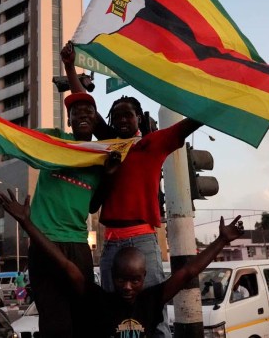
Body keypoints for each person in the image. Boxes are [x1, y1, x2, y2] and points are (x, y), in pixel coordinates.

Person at [62, 41, 202, 338]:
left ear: (139, 119)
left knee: (152, 310)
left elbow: (189, 125)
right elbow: (83, 103)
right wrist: (69, 66)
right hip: (110, 242)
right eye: (118, 115)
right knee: (111, 310)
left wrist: (214, 104)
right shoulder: (111, 145)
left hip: (143, 239)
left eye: (129, 115)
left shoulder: (153, 144)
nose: (123, 119)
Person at [0, 189, 244, 337]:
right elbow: (65, 265)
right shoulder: (98, 300)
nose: (127, 286)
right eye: (121, 279)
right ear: (111, 276)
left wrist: (221, 240)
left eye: (134, 280)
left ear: (144, 277)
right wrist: (27, 224)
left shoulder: (150, 300)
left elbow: (188, 270)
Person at [21, 90, 121, 338]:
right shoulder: (54, 140)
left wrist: (109, 174)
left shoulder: (101, 157)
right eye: (76, 112)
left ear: (96, 119)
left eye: (88, 111)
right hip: (45, 242)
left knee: (82, 317)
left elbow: (92, 206)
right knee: (55, 322)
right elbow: (23, 141)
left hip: (78, 246)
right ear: (69, 120)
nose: (82, 115)